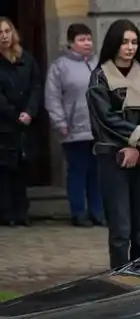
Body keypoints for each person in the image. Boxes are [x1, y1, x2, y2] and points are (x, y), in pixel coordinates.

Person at [87, 19, 140, 269]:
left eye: (134, 42)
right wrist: (138, 134)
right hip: (112, 157)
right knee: (120, 230)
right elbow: (104, 119)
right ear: (114, 44)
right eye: (124, 42)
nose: (130, 47)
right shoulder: (99, 77)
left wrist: (138, 148)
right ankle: (120, 278)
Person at [45, 22, 102, 227]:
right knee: (78, 170)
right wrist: (60, 122)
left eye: (89, 39)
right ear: (71, 43)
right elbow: (52, 96)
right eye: (81, 39)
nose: (87, 43)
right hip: (73, 128)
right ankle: (78, 211)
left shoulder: (99, 63)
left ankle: (97, 211)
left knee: (97, 171)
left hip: (98, 128)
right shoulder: (60, 66)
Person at [0, 17, 42, 226]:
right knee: (5, 172)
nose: (4, 36)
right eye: (0, 33)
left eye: (7, 31)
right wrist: (14, 114)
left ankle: (22, 213)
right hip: (4, 125)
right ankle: (7, 213)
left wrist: (29, 111)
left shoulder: (26, 59)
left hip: (25, 125)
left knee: (22, 170)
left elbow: (36, 87)